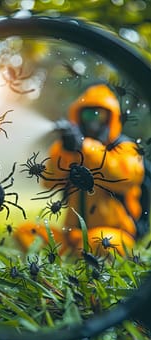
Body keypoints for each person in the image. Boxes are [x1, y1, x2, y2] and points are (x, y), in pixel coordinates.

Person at [14, 84, 147, 256]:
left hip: (115, 234)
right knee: (26, 232)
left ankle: (76, 253)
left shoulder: (126, 148)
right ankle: (73, 252)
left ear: (110, 118)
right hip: (72, 236)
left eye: (99, 114)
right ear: (78, 116)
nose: (92, 120)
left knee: (98, 243)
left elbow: (123, 178)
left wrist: (84, 146)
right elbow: (48, 182)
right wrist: (65, 149)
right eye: (87, 114)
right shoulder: (69, 150)